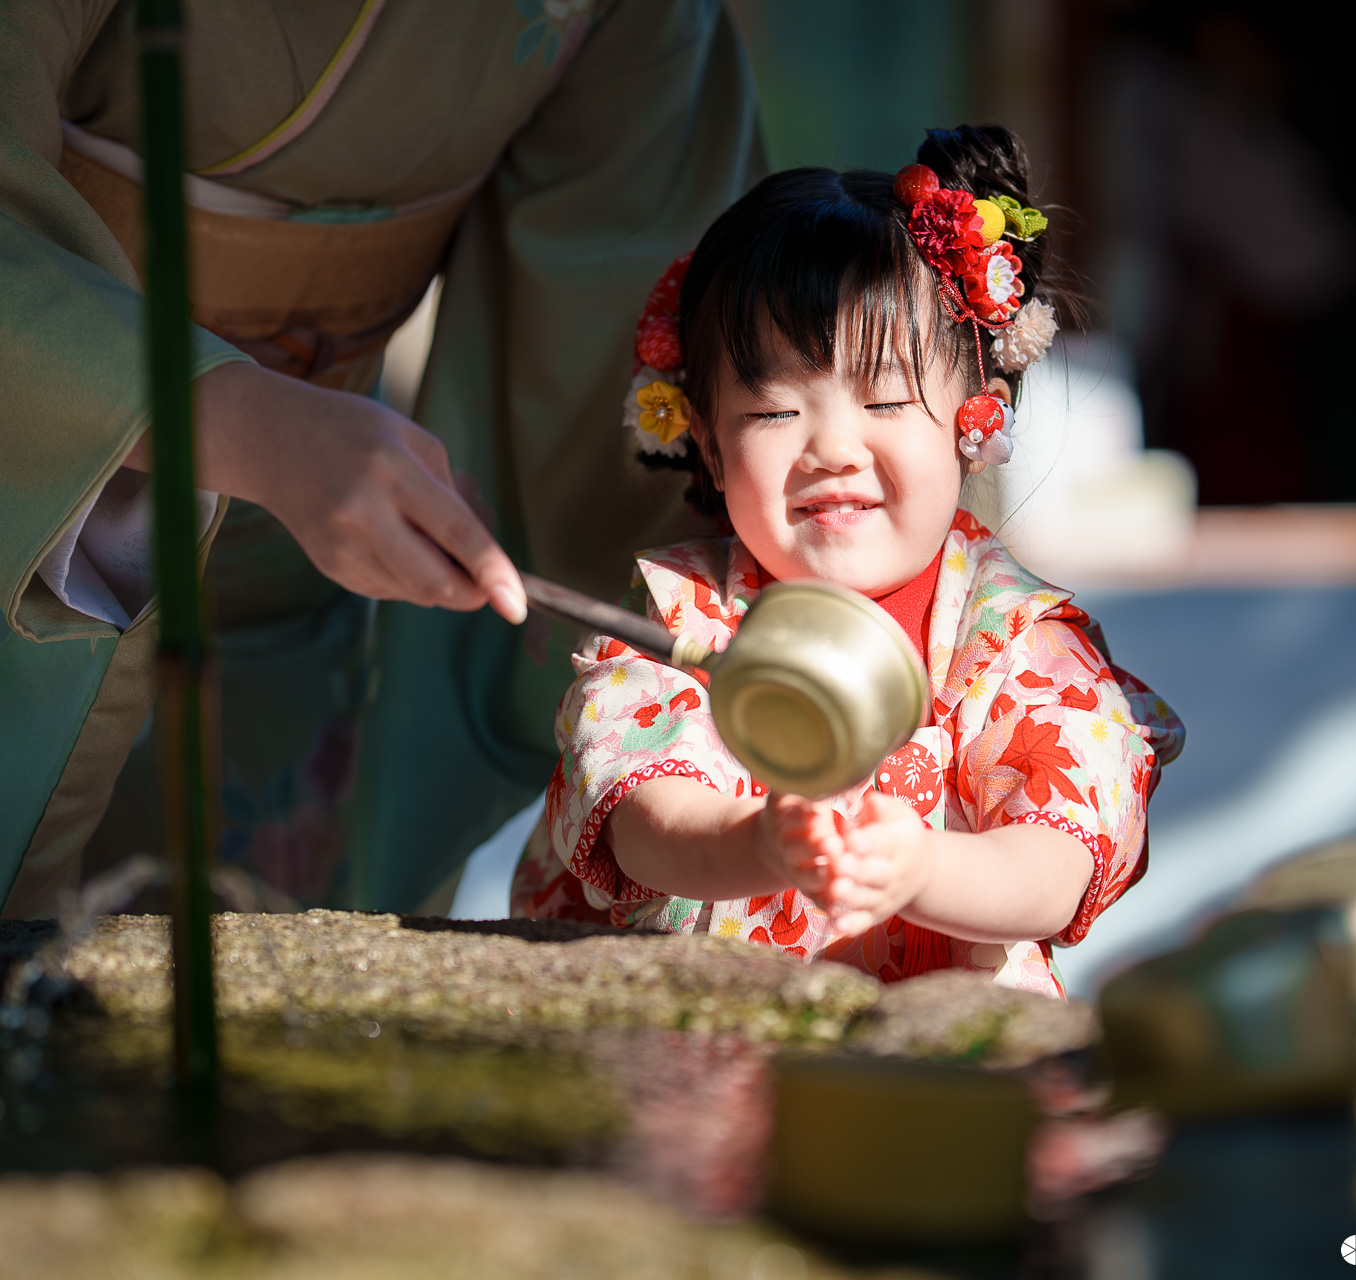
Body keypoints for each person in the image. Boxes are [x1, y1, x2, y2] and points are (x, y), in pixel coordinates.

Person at [0, 0, 762, 915]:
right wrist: (248, 421)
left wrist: (738, 618)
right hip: (37, 486)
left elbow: (628, 319)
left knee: (248, 970)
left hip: (300, 563)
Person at [509, 126, 1184, 997]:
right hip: (694, 1038)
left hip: (940, 1062)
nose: (832, 448)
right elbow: (642, 815)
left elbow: (1060, 857)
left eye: (887, 398)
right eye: (772, 412)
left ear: (974, 417)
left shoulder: (1016, 641)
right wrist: (752, 844)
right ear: (707, 446)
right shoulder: (679, 618)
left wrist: (921, 871)